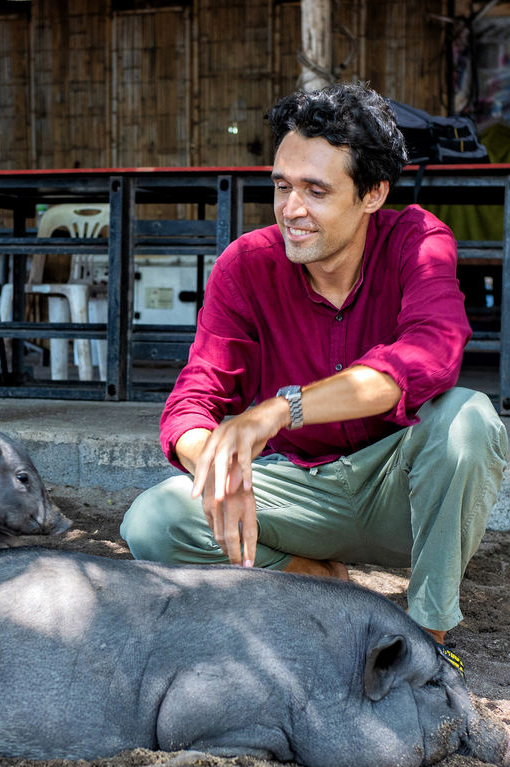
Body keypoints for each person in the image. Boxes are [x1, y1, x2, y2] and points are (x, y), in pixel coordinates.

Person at [121, 81, 507, 645]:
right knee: (152, 522)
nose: (291, 210)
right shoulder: (246, 265)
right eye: (282, 186)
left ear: (372, 193)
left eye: (316, 191)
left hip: (402, 494)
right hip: (297, 490)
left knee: (469, 420)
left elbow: (427, 356)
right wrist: (214, 458)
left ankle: (427, 638)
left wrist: (282, 409)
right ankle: (322, 585)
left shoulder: (417, 240)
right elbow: (194, 399)